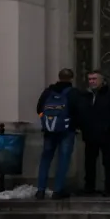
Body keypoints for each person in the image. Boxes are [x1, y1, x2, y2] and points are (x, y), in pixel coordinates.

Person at [72, 70, 110, 196]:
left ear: (102, 80)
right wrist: (81, 125)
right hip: (90, 134)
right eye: (90, 79)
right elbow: (80, 111)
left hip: (106, 135)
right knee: (89, 162)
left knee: (107, 162)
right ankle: (89, 187)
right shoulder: (86, 95)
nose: (92, 81)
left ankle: (109, 188)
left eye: (94, 79)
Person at [34, 68, 77, 200]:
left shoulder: (48, 92)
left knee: (46, 159)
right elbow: (78, 111)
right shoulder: (73, 93)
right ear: (71, 78)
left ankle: (40, 190)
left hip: (49, 131)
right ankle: (57, 190)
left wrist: (47, 121)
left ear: (58, 77)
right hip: (66, 131)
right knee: (63, 160)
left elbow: (39, 108)